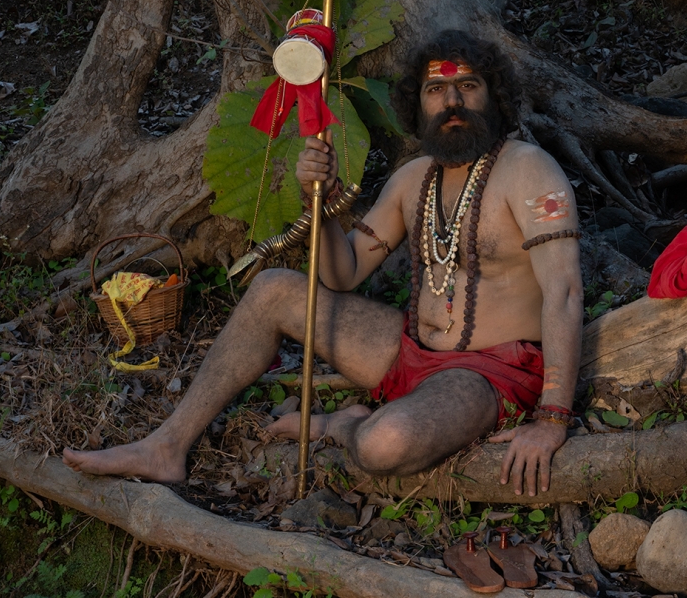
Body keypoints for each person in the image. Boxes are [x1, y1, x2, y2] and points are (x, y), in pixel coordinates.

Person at [64, 30, 584, 497]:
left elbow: (563, 292)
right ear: (418, 103)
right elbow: (343, 272)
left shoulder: (529, 170)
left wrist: (552, 419)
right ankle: (167, 446)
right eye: (435, 90)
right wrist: (322, 204)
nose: (451, 101)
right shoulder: (414, 178)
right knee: (273, 288)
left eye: (467, 86)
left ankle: (341, 425)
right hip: (407, 354)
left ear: (493, 95)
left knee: (382, 444)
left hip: (489, 374)